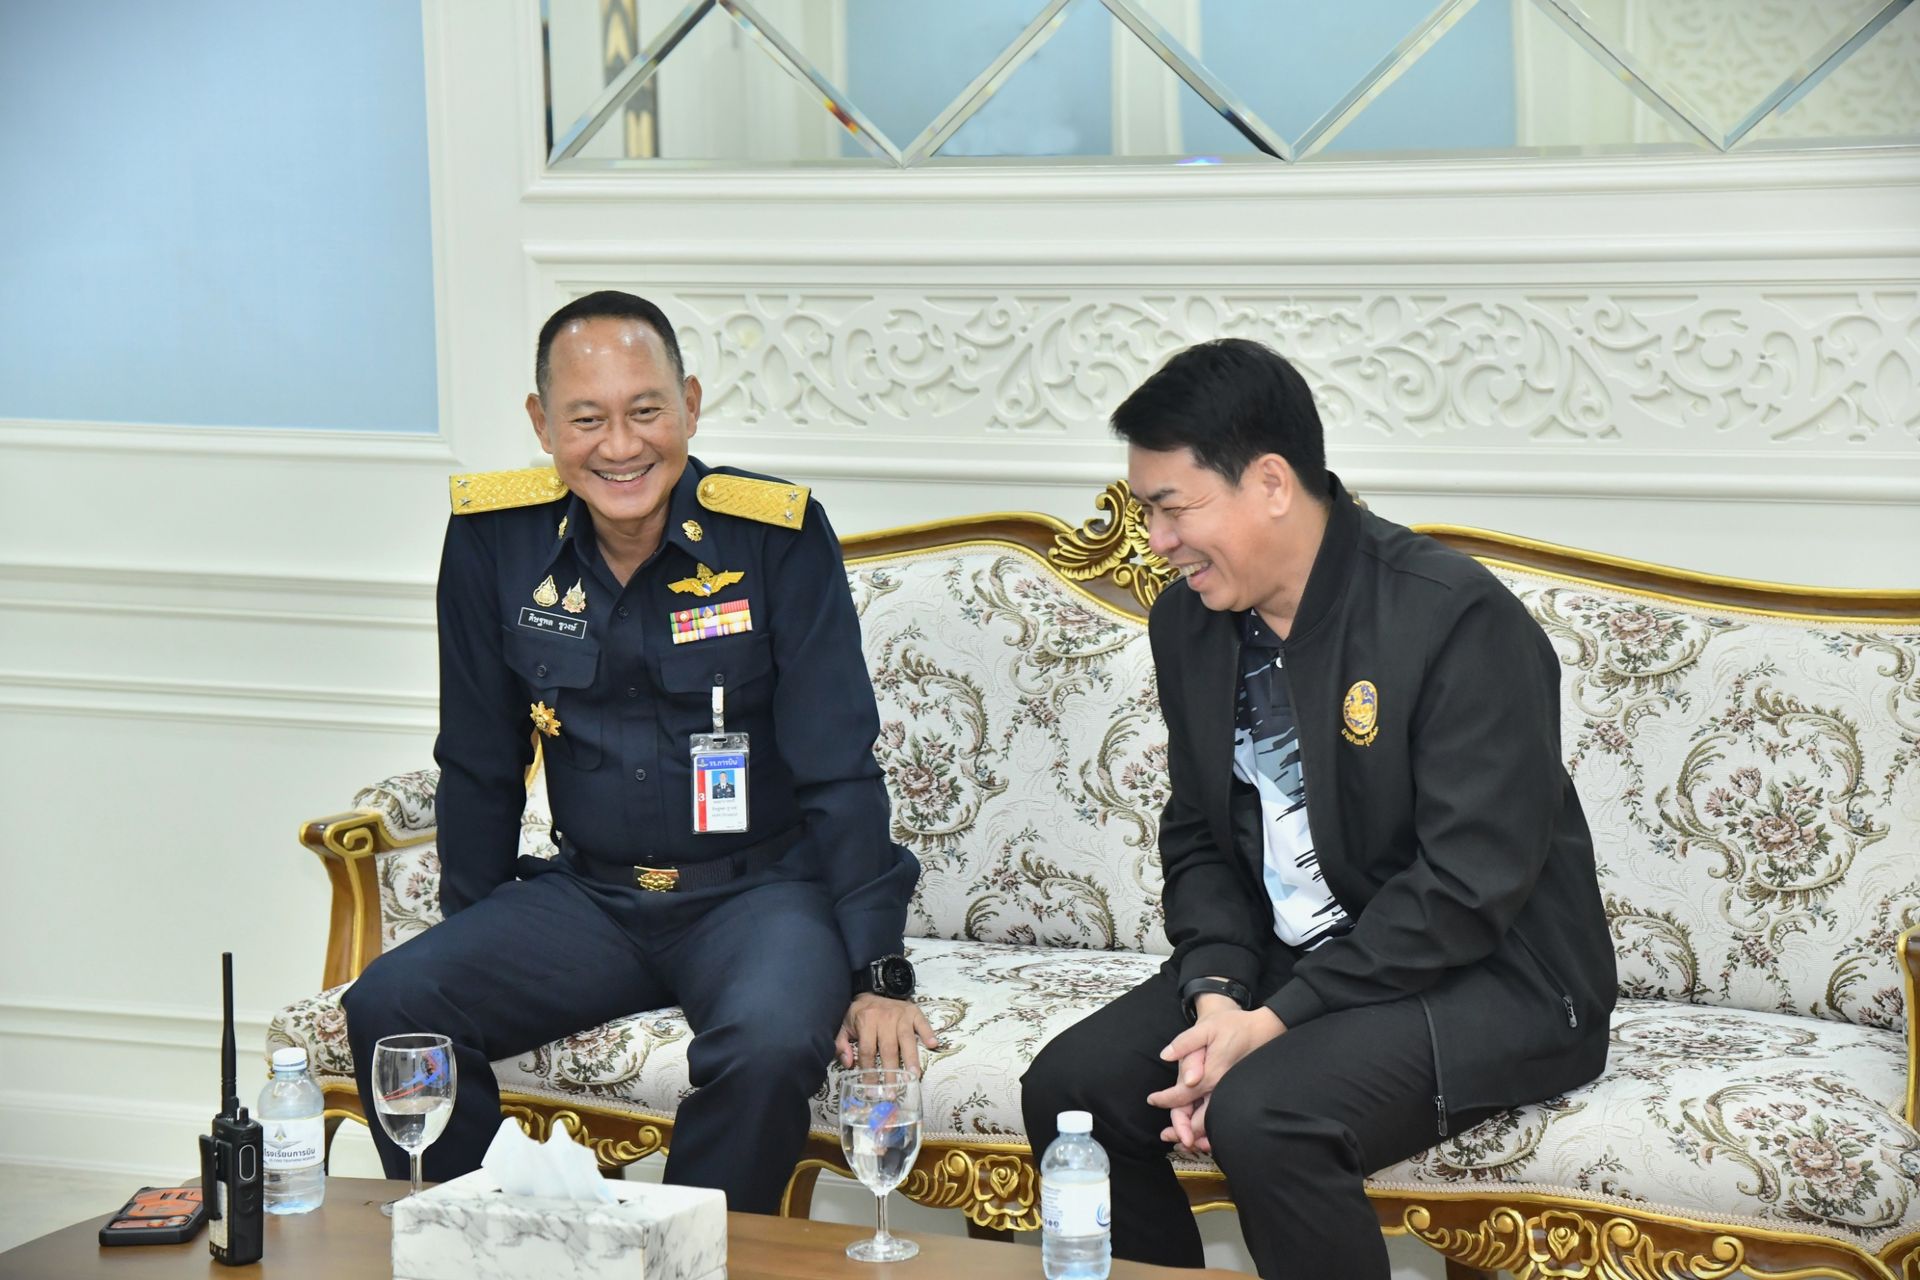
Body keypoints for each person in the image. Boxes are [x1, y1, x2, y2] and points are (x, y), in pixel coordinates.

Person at [1020, 339, 1615, 1277]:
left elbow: (1469, 884)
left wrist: (1272, 1024)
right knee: (1075, 1089)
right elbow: (1199, 834)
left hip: (1497, 974)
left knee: (1268, 1113)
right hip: (1294, 958)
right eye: (1147, 512)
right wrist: (1217, 993)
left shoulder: (1453, 616)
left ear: (1270, 482)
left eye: (1174, 507)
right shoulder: (1190, 622)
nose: (1157, 541)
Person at [344, 291, 936, 1212]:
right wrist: (473, 930)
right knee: (395, 1005)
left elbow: (838, 762)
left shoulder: (772, 537)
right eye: (587, 419)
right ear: (542, 425)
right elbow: (479, 761)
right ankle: (491, 1246)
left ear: (689, 406)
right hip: (592, 900)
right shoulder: (494, 542)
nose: (620, 446)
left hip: (759, 896)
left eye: (645, 410)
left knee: (771, 1046)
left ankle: (684, 1258)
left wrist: (879, 971)